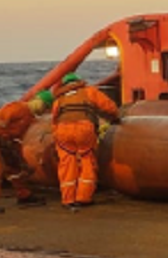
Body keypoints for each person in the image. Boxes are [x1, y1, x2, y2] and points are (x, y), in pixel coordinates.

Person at [52, 73, 121, 209]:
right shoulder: (89, 91)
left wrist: (57, 135)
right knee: (87, 160)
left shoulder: (60, 98)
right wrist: (116, 117)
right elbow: (109, 106)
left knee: (67, 163)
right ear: (78, 82)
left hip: (63, 131)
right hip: (84, 129)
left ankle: (68, 199)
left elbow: (55, 118)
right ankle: (83, 197)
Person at [0, 91, 53, 214]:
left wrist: (19, 158)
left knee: (16, 168)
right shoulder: (17, 107)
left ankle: (23, 194)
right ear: (36, 100)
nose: (43, 109)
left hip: (5, 140)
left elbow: (17, 137)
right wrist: (4, 140)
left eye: (46, 108)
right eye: (44, 105)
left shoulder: (30, 119)